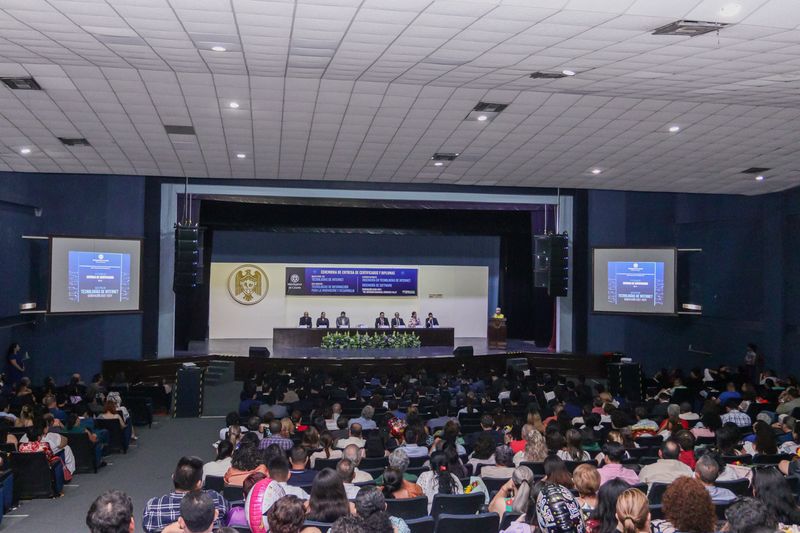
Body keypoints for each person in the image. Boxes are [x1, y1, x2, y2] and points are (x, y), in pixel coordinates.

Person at [142, 456, 229, 533]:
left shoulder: (152, 506)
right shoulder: (215, 499)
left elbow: (147, 527)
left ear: (173, 477)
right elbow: (228, 514)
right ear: (199, 483)